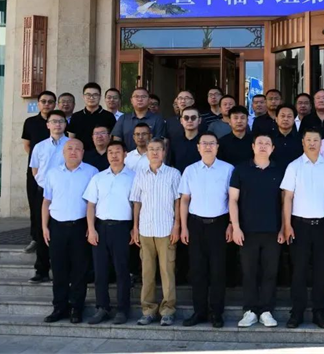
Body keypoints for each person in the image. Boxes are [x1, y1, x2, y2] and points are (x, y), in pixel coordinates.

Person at [281, 127, 324, 329]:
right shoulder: (294, 166)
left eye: (316, 140)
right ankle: (297, 312)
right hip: (299, 226)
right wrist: (287, 225)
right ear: (303, 142)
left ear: (321, 143)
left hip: (323, 225)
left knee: (322, 271)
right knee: (299, 271)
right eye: (309, 140)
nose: (312, 143)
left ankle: (319, 312)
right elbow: (287, 198)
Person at [179, 133, 235, 328]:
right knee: (197, 270)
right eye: (204, 143)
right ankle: (199, 312)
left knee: (218, 271)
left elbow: (233, 200)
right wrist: (183, 227)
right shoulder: (190, 170)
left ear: (217, 147)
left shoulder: (228, 169)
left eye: (212, 143)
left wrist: (231, 224)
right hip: (195, 225)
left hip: (219, 224)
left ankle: (216, 313)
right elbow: (184, 200)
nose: (208, 146)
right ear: (198, 147)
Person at [230, 133, 285, 328]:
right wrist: (235, 227)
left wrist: (283, 228)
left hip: (273, 230)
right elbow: (233, 200)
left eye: (267, 143)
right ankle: (250, 311)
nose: (263, 146)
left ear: (272, 148)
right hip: (247, 231)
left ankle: (266, 310)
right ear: (253, 147)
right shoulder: (240, 170)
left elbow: (285, 202)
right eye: (259, 143)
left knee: (270, 272)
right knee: (249, 272)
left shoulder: (280, 170)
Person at [41, 139, 99, 324]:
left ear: (83, 152)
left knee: (79, 271)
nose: (73, 151)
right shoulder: (52, 173)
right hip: (57, 227)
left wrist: (91, 227)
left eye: (77, 149)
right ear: (63, 152)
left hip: (80, 227)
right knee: (58, 270)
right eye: (69, 148)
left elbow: (94, 203)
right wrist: (44, 226)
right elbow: (46, 202)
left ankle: (76, 308)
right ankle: (59, 307)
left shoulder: (92, 172)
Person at [130, 138, 181, 327]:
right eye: (151, 149)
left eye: (158, 149)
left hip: (166, 229)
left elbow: (178, 201)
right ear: (147, 153)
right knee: (147, 272)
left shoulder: (173, 174)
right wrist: (135, 227)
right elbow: (136, 202)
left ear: (164, 152)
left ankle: (168, 310)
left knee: (167, 272)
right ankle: (148, 310)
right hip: (145, 230)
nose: (154, 152)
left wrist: (177, 225)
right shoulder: (140, 174)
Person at [84, 140, 136, 325]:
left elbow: (137, 205)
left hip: (122, 228)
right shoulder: (98, 178)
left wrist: (135, 228)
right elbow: (91, 205)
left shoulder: (134, 177)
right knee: (100, 271)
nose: (114, 155)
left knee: (122, 270)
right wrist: (91, 229)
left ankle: (122, 309)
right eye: (110, 152)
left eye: (117, 151)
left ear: (125, 154)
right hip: (100, 228)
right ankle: (102, 307)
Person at [29, 109, 70, 284]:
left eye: (61, 121)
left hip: (64, 194)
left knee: (62, 231)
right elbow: (35, 169)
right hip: (44, 193)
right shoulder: (40, 146)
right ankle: (42, 269)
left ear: (65, 124)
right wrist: (44, 184)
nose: (57, 124)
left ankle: (64, 270)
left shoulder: (71, 145)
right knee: (42, 230)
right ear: (48, 125)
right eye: (54, 121)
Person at [21, 90, 56, 255]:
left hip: (56, 174)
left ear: (54, 104)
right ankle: (35, 237)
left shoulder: (58, 122)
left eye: (50, 102)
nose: (47, 104)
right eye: (44, 101)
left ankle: (51, 236)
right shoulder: (30, 122)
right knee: (35, 205)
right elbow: (27, 145)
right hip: (35, 171)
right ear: (38, 103)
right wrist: (39, 163)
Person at [67, 83, 116, 151]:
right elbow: (71, 139)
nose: (91, 98)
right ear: (83, 96)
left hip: (102, 154)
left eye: (95, 95)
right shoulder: (76, 116)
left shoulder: (109, 116)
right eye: (88, 95)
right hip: (81, 154)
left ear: (100, 97)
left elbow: (113, 139)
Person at [271, 104, 303, 171]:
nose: (285, 119)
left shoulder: (301, 139)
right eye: (282, 116)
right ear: (276, 119)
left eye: (289, 116)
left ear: (294, 119)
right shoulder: (269, 139)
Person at [169, 106, 201, 174]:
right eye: (186, 118)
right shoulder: (174, 141)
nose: (190, 120)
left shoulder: (205, 141)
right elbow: (171, 164)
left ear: (199, 120)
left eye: (193, 118)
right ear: (181, 121)